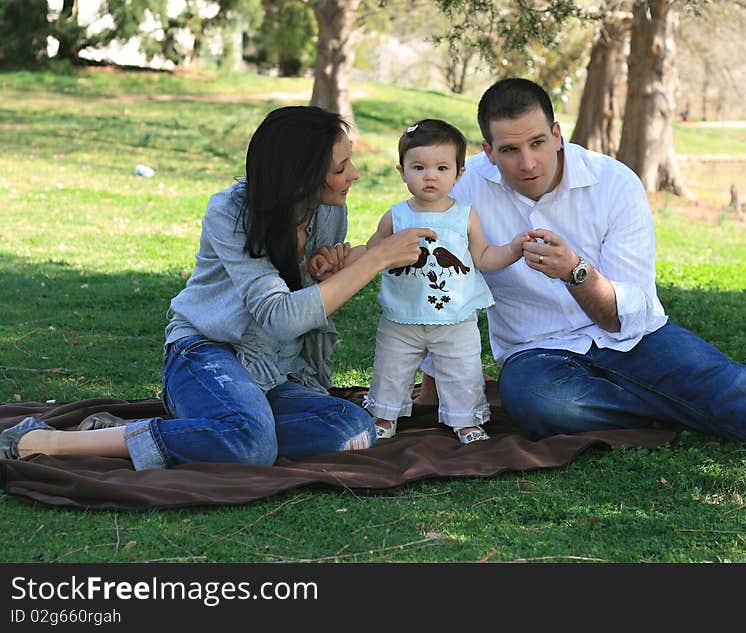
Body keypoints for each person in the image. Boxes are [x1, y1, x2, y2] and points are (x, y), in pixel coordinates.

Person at [418, 77, 746, 476]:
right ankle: (688, 404)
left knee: (730, 384)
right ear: (487, 151)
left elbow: (626, 313)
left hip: (632, 335)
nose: (528, 163)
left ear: (557, 134)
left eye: (538, 142)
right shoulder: (463, 187)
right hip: (535, 351)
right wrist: (433, 377)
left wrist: (576, 272)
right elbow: (436, 280)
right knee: (538, 404)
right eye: (510, 150)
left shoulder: (615, 183)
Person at [1, 106, 436, 468]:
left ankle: (204, 428)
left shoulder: (327, 212)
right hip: (204, 354)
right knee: (253, 446)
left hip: (271, 370)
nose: (355, 174)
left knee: (353, 427)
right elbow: (281, 317)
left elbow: (307, 307)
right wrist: (376, 259)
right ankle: (46, 441)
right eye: (341, 167)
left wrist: (327, 271)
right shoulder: (231, 211)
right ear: (301, 176)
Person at [362, 119, 528, 444]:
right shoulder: (395, 216)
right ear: (402, 171)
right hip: (402, 315)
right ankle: (384, 416)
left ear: (459, 173)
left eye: (441, 167)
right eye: (419, 167)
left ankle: (466, 421)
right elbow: (371, 253)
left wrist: (512, 249)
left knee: (462, 371)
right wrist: (344, 260)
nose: (430, 176)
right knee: (390, 368)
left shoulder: (465, 215)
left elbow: (482, 257)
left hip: (456, 317)